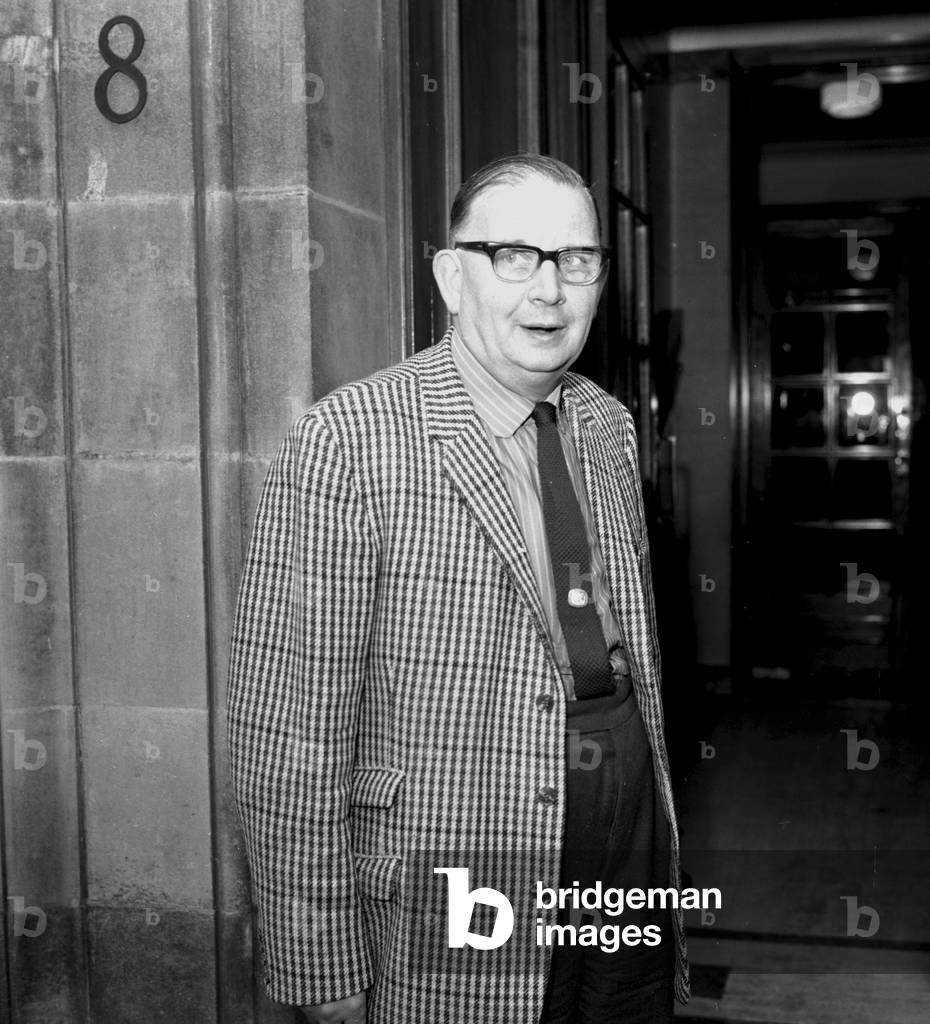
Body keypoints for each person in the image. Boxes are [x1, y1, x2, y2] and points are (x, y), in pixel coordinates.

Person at [226, 153, 689, 1023]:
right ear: (450, 275)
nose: (549, 290)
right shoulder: (349, 442)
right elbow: (287, 733)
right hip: (467, 856)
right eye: (515, 256)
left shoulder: (609, 426)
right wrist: (320, 967)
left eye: (576, 260)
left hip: (629, 847)